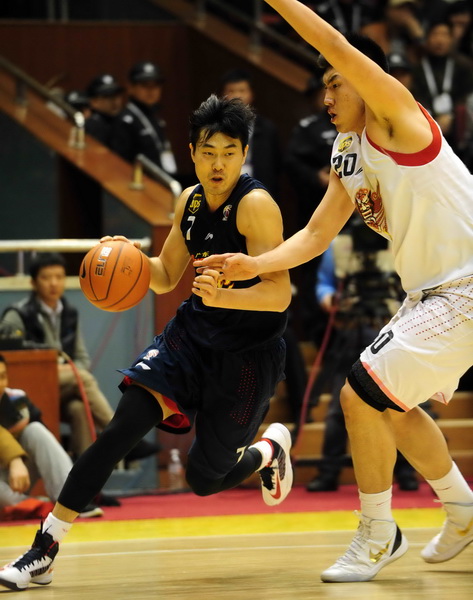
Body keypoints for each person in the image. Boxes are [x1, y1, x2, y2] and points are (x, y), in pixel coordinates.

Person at [195, 0, 473, 583]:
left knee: (361, 393)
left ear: (367, 81)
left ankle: (378, 532)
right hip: (429, 294)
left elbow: (339, 46)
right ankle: (463, 507)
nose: (324, 98)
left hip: (468, 286)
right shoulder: (347, 150)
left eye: (333, 83)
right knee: (391, 407)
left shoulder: (399, 117)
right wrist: (252, 263)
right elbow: (317, 234)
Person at [0, 95, 294, 591]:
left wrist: (229, 292)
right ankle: (44, 550)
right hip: (191, 339)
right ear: (191, 152)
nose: (217, 162)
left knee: (204, 479)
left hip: (247, 356)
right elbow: (164, 276)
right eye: (207, 151)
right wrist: (127, 261)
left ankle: (267, 452)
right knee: (121, 429)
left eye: (228, 151)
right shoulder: (190, 200)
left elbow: (280, 294)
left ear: (243, 153)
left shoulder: (256, 206)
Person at [0, 253, 160, 463]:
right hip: (31, 382)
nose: (53, 283)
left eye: (59, 277)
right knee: (82, 378)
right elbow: (9, 360)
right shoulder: (17, 314)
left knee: (78, 408)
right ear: (33, 282)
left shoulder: (70, 313)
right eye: (46, 278)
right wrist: (69, 372)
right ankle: (126, 435)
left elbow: (81, 357)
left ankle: (86, 486)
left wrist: (71, 371)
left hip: (64, 381)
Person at [306, 222, 420, 493]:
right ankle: (329, 471)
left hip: (392, 331)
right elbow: (323, 283)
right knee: (339, 405)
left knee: (401, 404)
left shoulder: (401, 242)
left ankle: (406, 471)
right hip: (350, 328)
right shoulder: (338, 245)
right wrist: (328, 298)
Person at [0, 355, 103, 520]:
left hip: (16, 478)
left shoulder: (17, 399)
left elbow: (43, 444)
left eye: (3, 377)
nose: (0, 384)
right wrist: (14, 460)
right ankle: (33, 506)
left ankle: (70, 500)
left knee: (35, 430)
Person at [221, 68, 282, 197]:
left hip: (259, 192)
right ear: (223, 95)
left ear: (251, 94)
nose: (237, 96)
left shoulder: (268, 129)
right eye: (231, 91)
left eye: (242, 91)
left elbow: (276, 168)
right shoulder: (215, 128)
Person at [110, 60, 178, 177]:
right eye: (144, 85)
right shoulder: (126, 120)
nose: (151, 90)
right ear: (130, 87)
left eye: (155, 85)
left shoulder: (155, 116)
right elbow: (122, 163)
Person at [84, 73, 124, 147]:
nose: (114, 101)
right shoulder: (95, 125)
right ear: (94, 101)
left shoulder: (120, 120)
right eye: (107, 96)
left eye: (116, 94)